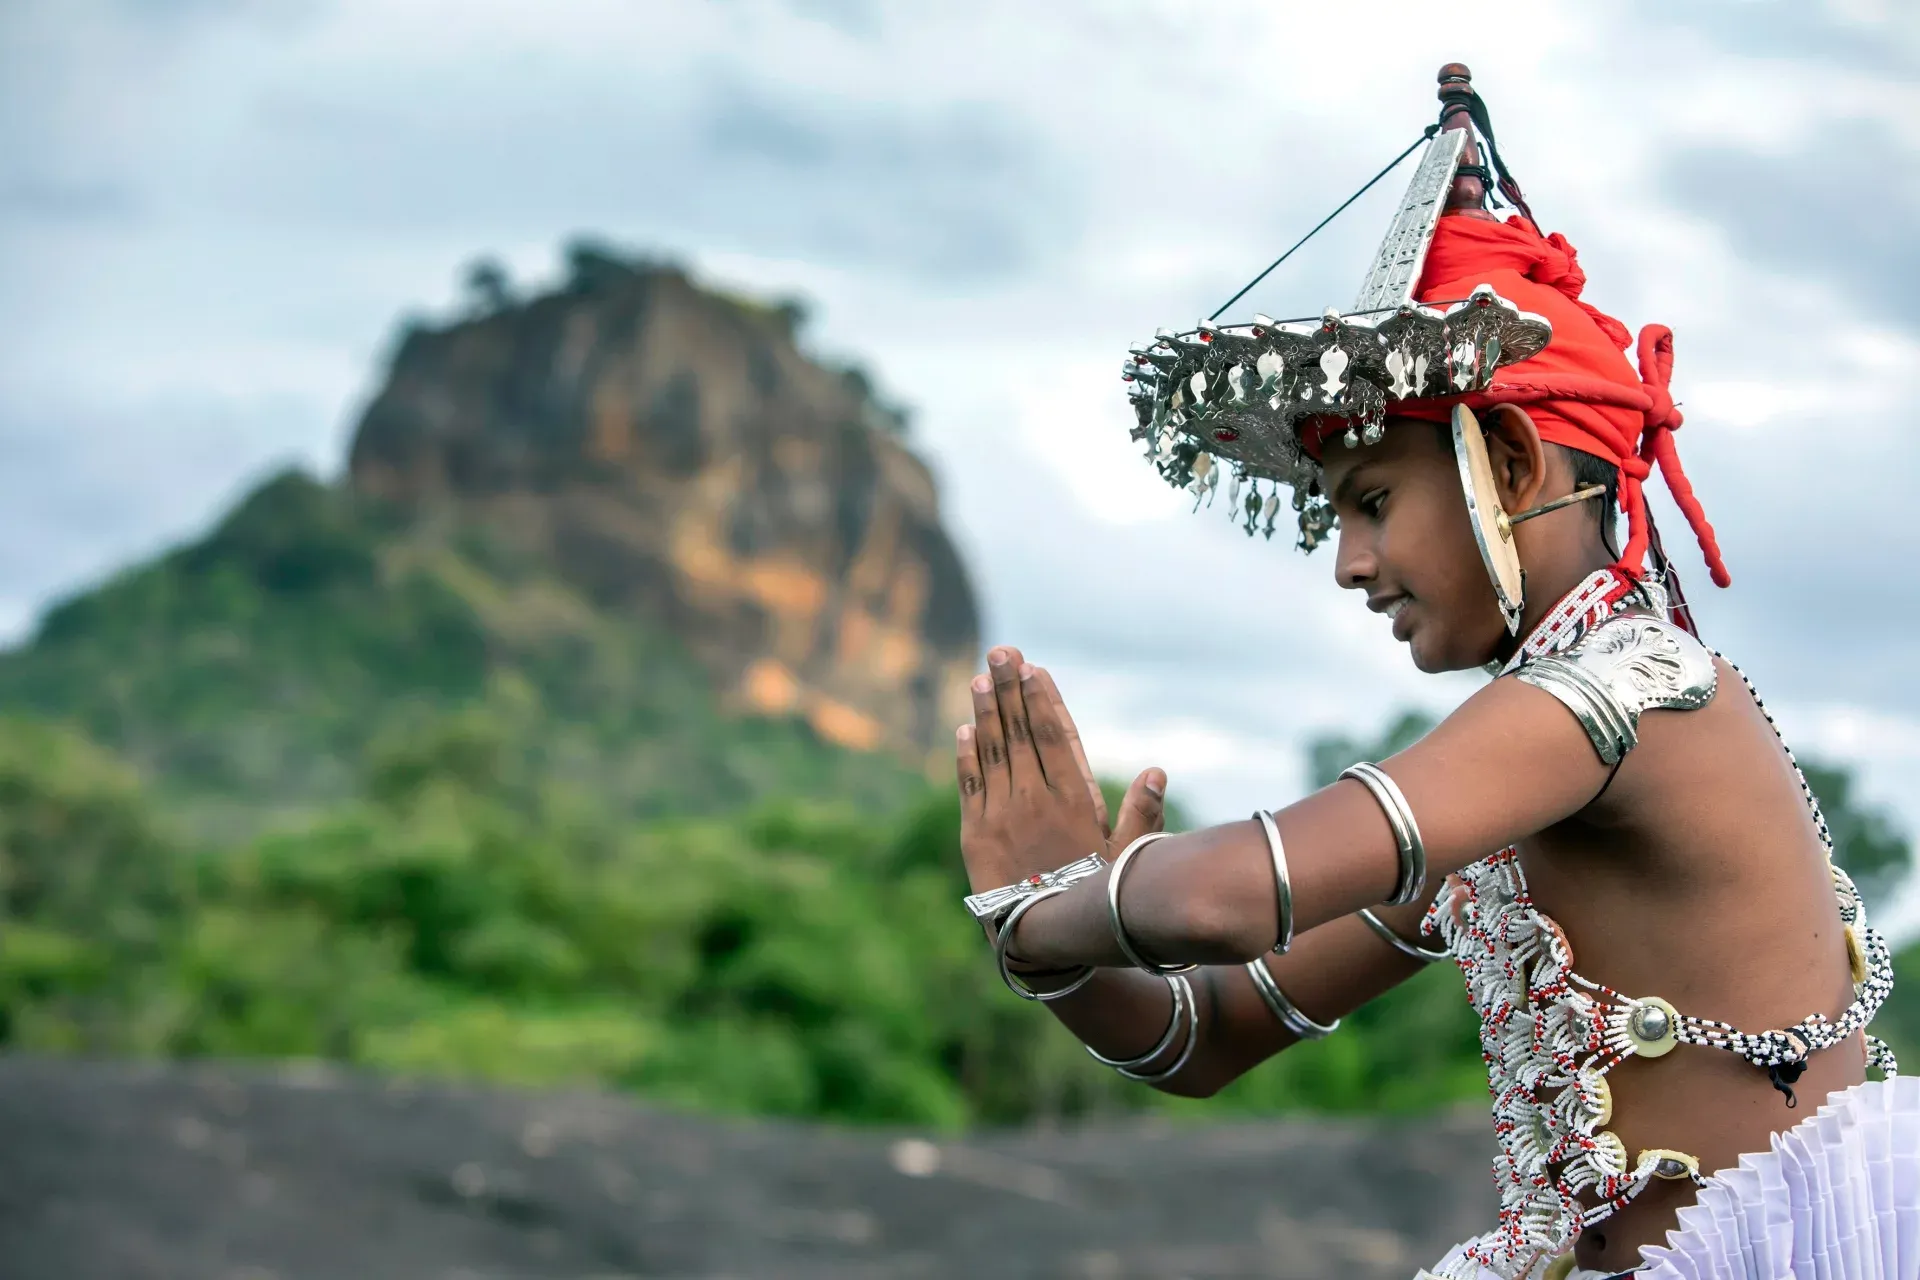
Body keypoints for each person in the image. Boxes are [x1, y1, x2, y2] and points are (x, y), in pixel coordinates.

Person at [953, 66, 1906, 1280]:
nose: (1349, 563)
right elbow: (1208, 1029)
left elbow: (1219, 900)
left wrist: (1055, 908)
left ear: (1508, 463)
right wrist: (1058, 939)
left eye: (1372, 501)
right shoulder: (1522, 761)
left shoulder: (1626, 691)